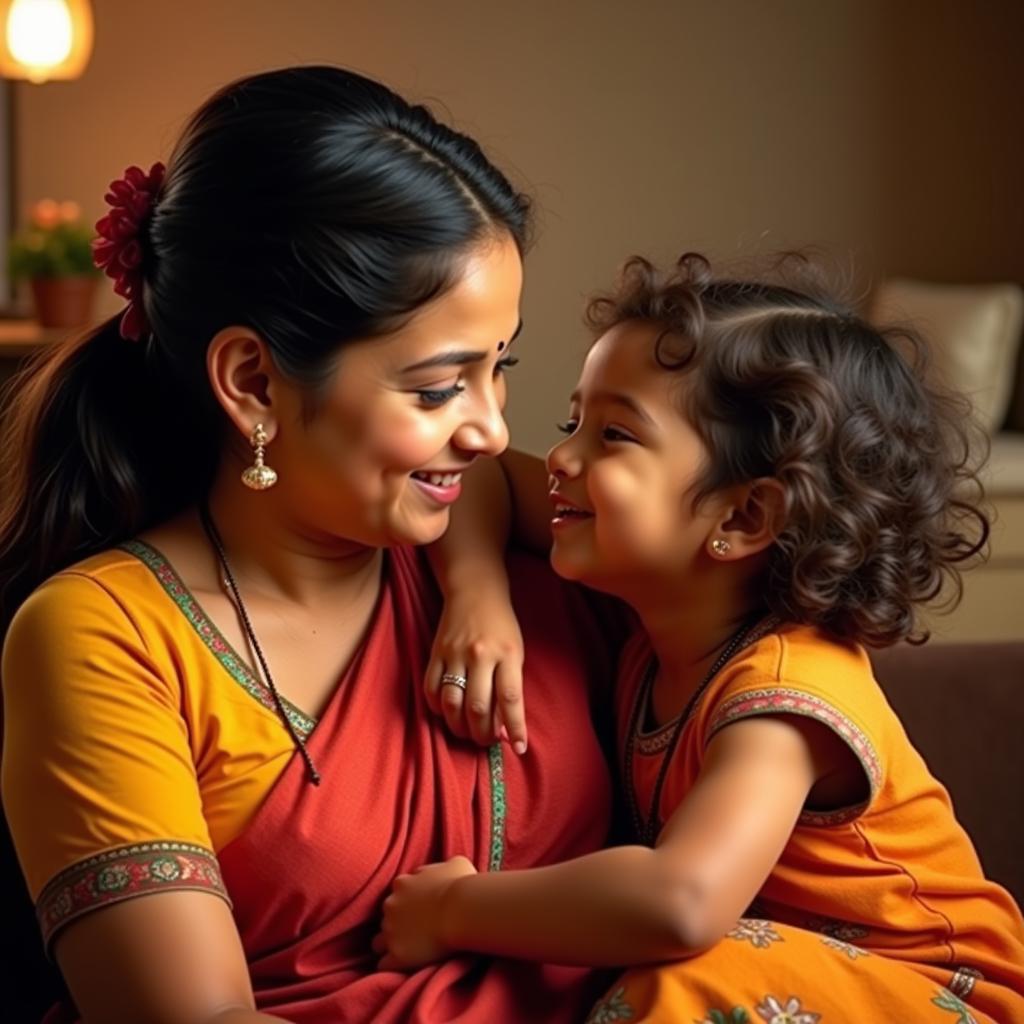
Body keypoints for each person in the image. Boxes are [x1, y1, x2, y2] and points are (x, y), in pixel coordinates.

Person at [0, 66, 627, 1024]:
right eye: (436, 388)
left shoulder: (528, 545)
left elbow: (774, 586)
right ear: (252, 380)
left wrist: (476, 587)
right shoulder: (107, 636)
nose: (493, 428)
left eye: (500, 369)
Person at [377, 254, 1024, 1023]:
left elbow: (681, 902)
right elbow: (478, 473)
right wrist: (477, 598)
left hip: (936, 996)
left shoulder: (787, 692)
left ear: (744, 518)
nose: (562, 457)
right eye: (571, 422)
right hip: (780, 978)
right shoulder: (661, 618)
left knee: (676, 980)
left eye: (614, 434)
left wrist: (456, 907)